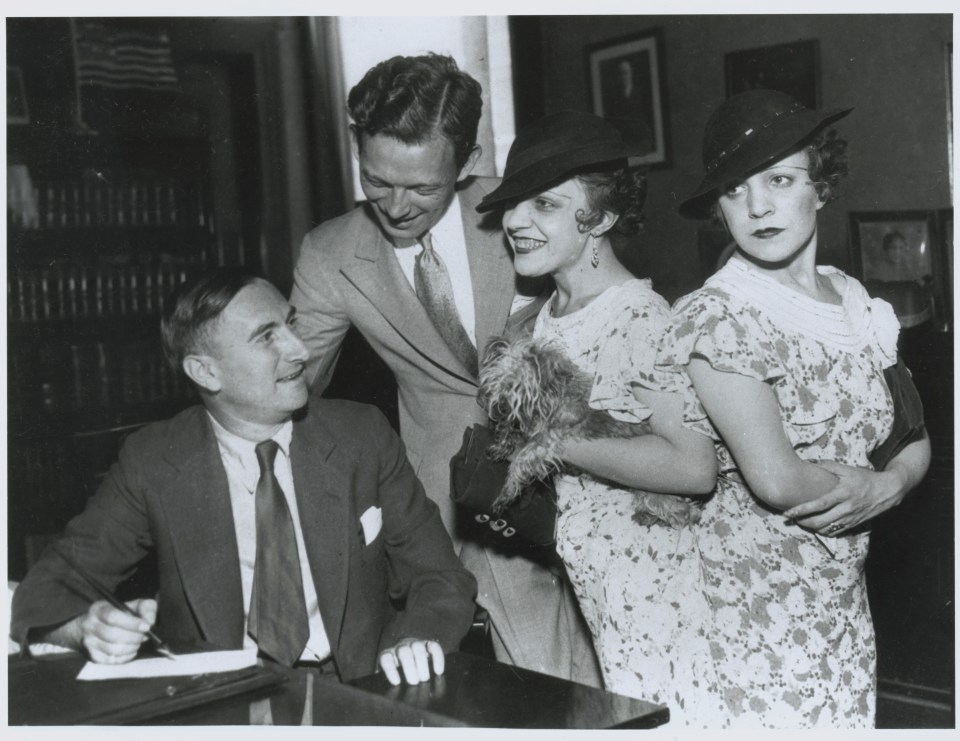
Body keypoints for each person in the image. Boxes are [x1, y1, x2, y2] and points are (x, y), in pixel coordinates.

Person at [289, 54, 602, 685]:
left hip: (576, 474)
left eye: (423, 188)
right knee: (436, 687)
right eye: (377, 181)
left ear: (467, 163)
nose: (397, 207)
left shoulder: (525, 213)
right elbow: (290, 387)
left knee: (571, 685)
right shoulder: (329, 254)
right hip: (438, 499)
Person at [11, 268, 477, 687]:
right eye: (266, 337)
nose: (300, 350)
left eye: (291, 324)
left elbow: (440, 577)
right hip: (226, 701)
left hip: (359, 686)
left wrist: (416, 639)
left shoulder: (361, 436)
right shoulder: (154, 461)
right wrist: (83, 628)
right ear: (205, 372)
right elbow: (46, 589)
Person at [659, 89, 932, 727]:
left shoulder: (857, 303)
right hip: (751, 620)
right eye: (734, 190)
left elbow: (913, 435)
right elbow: (778, 480)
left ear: (823, 185)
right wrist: (882, 486)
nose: (757, 206)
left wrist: (892, 481)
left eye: (779, 180)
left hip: (843, 610)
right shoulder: (717, 317)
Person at [475, 111, 718, 710]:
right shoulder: (541, 317)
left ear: (602, 218)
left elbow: (694, 468)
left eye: (545, 205)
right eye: (512, 204)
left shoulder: (640, 319)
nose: (514, 221)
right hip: (587, 586)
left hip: (657, 600)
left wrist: (551, 442)